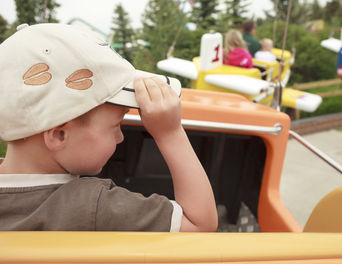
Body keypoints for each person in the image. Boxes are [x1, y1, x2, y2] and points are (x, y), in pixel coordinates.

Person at [0, 23, 218, 232]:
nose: (121, 137)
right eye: (116, 125)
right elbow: (199, 223)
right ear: (59, 134)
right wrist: (170, 133)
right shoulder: (91, 207)